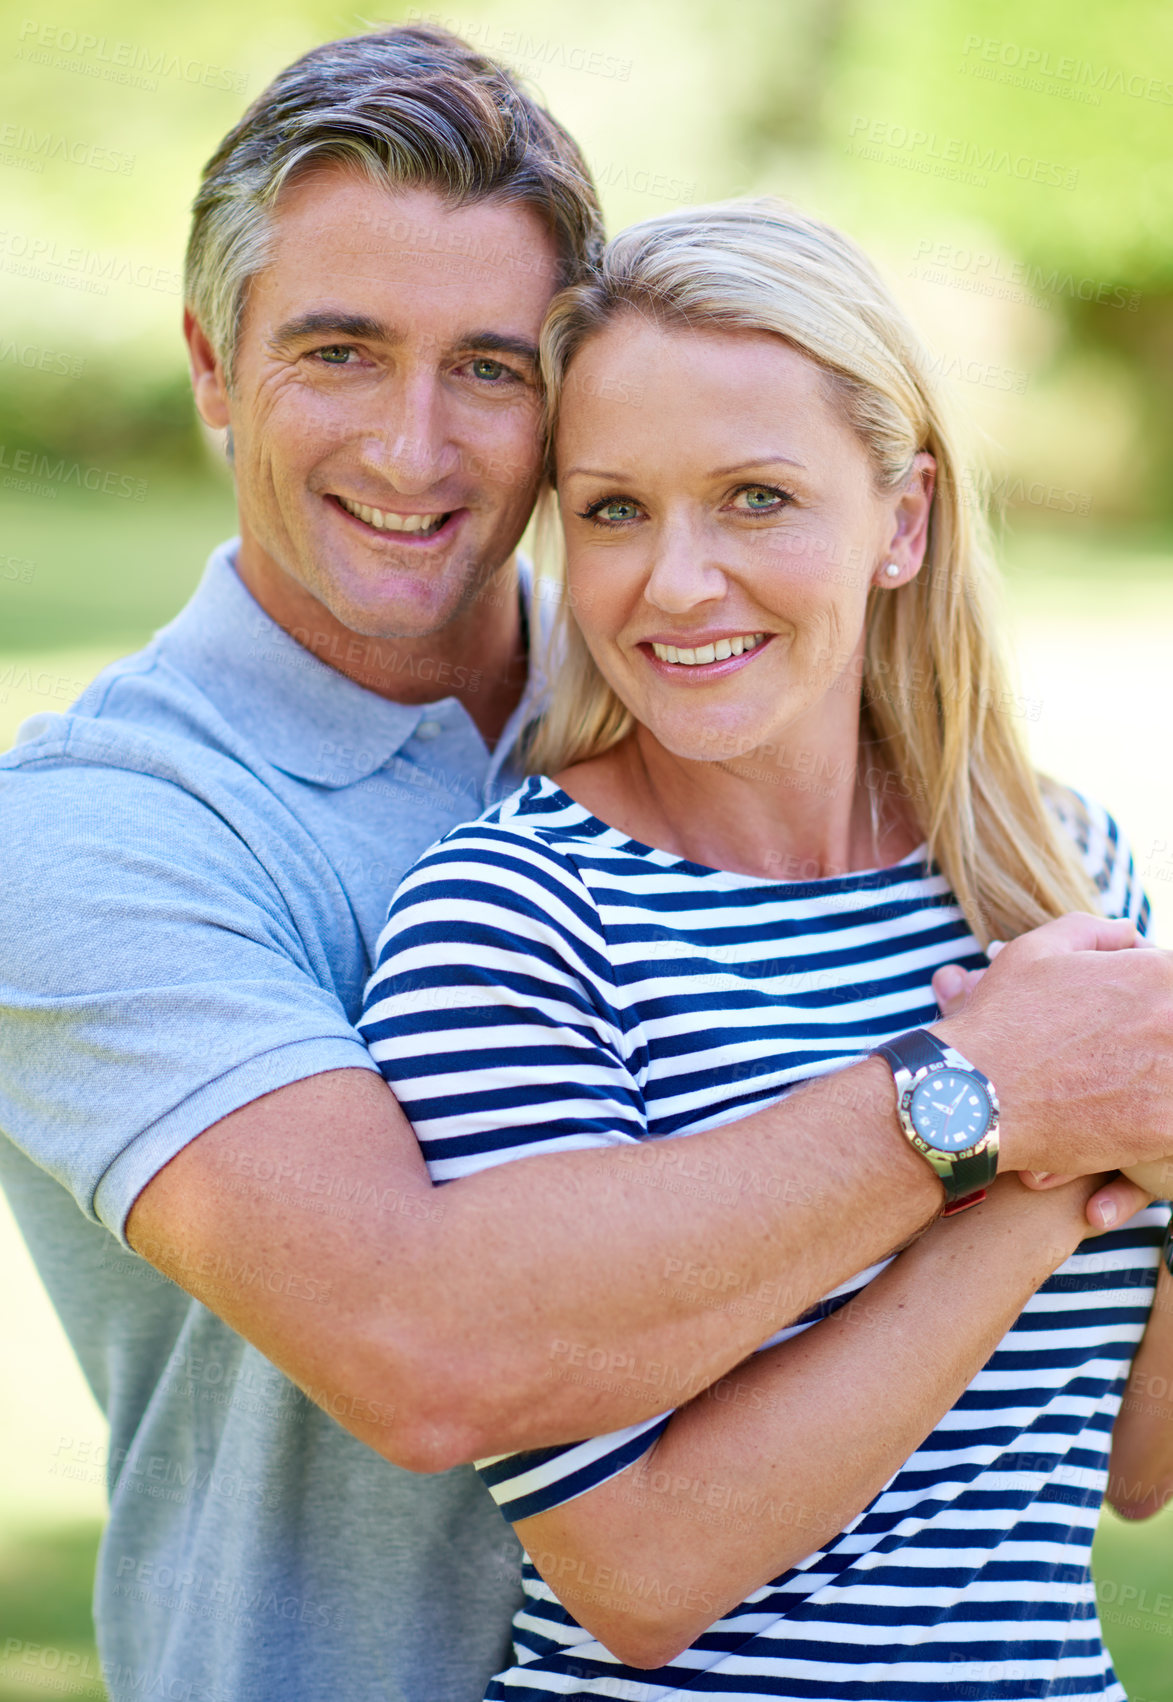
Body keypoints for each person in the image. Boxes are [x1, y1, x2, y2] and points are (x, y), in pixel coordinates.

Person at [0, 21, 1171, 1702]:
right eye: (338, 351)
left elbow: (1111, 1453)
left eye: (488, 369)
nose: (416, 449)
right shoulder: (92, 833)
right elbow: (424, 1353)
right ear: (208, 363)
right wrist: (999, 1104)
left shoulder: (725, 715)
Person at [358, 198, 1173, 1700]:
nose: (673, 582)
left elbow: (1132, 1463)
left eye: (752, 497)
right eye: (612, 510)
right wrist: (1033, 1166)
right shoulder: (514, 921)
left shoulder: (1055, 874)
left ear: (902, 520)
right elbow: (641, 1576)